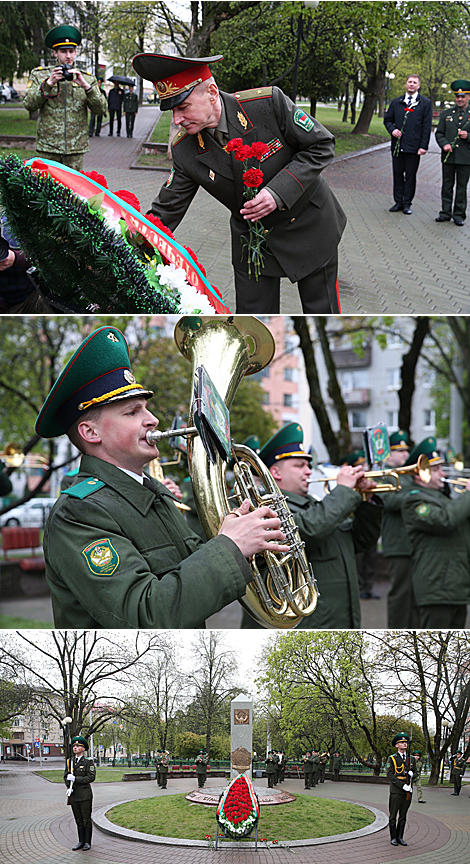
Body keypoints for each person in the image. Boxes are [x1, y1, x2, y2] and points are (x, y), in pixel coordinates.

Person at [39, 325, 290, 628]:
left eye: (146, 407)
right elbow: (146, 616)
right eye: (132, 412)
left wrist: (255, 542)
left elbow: (193, 574)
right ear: (90, 432)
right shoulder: (79, 512)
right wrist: (230, 546)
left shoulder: (153, 493)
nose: (153, 419)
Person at [138, 52, 347, 312]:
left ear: (212, 92)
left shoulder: (267, 104)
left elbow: (322, 144)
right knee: (251, 322)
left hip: (309, 226)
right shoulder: (185, 148)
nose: (177, 120)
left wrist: (277, 192)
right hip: (253, 240)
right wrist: (126, 240)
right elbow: (166, 210)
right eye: (172, 111)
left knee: (321, 312)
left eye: (183, 107)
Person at [244, 424, 381, 626]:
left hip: (341, 620)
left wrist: (367, 502)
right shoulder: (265, 509)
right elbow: (308, 530)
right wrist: (343, 491)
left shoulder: (319, 505)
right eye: (300, 466)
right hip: (310, 625)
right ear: (276, 472)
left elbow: (362, 540)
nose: (309, 472)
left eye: (308, 466)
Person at [401, 438, 470, 627]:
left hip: (457, 587)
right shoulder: (414, 501)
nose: (443, 473)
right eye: (436, 470)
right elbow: (445, 521)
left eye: (441, 468)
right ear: (419, 475)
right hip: (436, 588)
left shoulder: (446, 500)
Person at [23, 24, 107, 172]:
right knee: (46, 191)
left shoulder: (87, 78)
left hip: (75, 149)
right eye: (63, 51)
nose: (68, 56)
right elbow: (29, 104)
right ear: (55, 53)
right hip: (48, 147)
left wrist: (87, 87)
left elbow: (101, 109)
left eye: (71, 51)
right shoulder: (40, 75)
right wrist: (48, 84)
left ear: (75, 53)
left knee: (71, 193)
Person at [380, 430, 419, 628]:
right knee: (401, 592)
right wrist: (416, 495)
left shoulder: (408, 475)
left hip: (413, 543)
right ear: (389, 454)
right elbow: (388, 502)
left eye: (406, 451)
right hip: (398, 543)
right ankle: (397, 629)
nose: (405, 455)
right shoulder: (383, 475)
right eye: (400, 451)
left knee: (414, 594)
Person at [384, 75, 432, 215]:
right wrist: (392, 130)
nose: (411, 84)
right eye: (409, 82)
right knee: (397, 174)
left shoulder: (425, 103)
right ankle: (398, 202)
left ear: (418, 86)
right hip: (398, 146)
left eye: (414, 83)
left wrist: (423, 146)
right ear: (406, 84)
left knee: (410, 175)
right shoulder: (396, 102)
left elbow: (426, 126)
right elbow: (388, 120)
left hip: (414, 147)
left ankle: (407, 203)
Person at [435, 78, 470, 225]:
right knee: (447, 186)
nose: (460, 99)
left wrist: (468, 136)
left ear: (468, 97)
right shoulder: (447, 113)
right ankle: (445, 213)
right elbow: (439, 133)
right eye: (457, 96)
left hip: (465, 157)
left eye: (463, 96)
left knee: (461, 187)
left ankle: (459, 215)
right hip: (449, 156)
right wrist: (444, 145)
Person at [0, 231, 51, 311]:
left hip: (34, 292)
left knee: (47, 300)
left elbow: (47, 253)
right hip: (9, 306)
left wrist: (15, 258)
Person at [65, 735, 96, 851]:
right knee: (78, 819)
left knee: (86, 819)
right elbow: (66, 776)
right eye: (74, 746)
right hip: (74, 795)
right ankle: (81, 841)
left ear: (83, 749)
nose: (75, 748)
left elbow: (91, 777)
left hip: (85, 795)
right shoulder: (70, 762)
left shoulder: (88, 762)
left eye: (78, 746)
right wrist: (69, 786)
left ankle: (87, 842)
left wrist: (76, 779)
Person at [386, 733, 416, 846]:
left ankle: (400, 837)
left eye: (406, 742)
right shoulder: (392, 758)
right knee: (393, 815)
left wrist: (412, 774)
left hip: (407, 791)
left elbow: (416, 773)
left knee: (403, 816)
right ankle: (393, 837)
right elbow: (389, 774)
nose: (405, 744)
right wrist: (401, 785)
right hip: (396, 791)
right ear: (397, 745)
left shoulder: (411, 759)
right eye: (402, 742)